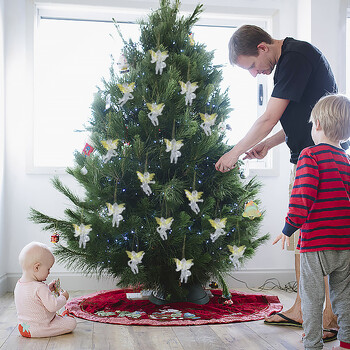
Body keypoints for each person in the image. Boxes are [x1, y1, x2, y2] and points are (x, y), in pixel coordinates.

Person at [215, 24, 340, 341]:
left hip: (317, 161)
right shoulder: (292, 60)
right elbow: (301, 118)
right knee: (303, 238)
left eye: (252, 67)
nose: (255, 74)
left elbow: (268, 117)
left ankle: (329, 316)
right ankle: (302, 308)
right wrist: (268, 145)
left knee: (314, 239)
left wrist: (233, 153)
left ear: (262, 48)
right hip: (306, 156)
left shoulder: (295, 58)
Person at [273, 94, 350, 350]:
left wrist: (288, 228)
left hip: (316, 242)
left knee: (312, 296)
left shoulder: (310, 155)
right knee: (344, 297)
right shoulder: (346, 161)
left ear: (316, 124)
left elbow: (302, 196)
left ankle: (313, 343)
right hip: (345, 243)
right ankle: (347, 341)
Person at [14, 241, 76, 338]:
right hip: (41, 328)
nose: (49, 272)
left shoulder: (19, 284)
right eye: (48, 269)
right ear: (37, 267)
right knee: (71, 323)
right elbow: (53, 306)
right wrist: (64, 297)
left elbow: (34, 297)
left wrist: (48, 288)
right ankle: (62, 319)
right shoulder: (40, 287)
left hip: (24, 328)